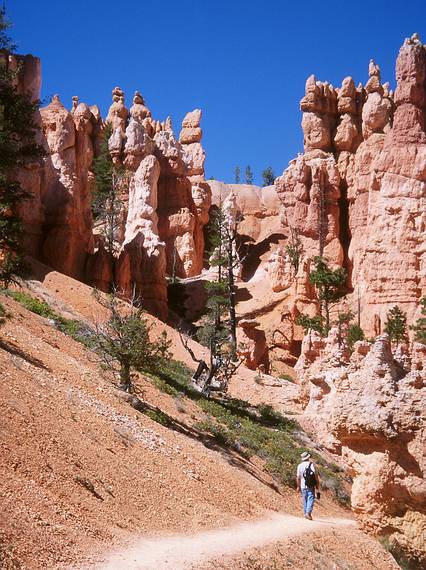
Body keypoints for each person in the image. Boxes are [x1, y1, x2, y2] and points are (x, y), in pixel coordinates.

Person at [296, 451, 320, 520]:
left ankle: (305, 513)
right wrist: (317, 484)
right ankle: (308, 513)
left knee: (305, 499)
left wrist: (298, 486)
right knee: (311, 498)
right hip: (310, 485)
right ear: (308, 457)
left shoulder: (299, 466)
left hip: (303, 485)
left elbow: (298, 477)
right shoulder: (311, 464)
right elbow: (315, 475)